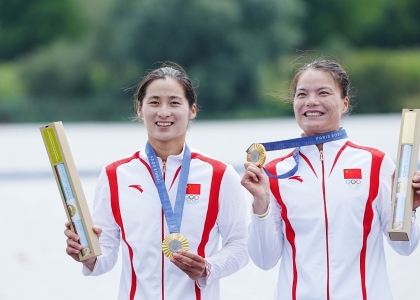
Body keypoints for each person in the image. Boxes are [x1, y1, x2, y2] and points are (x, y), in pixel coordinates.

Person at [64, 63, 249, 300]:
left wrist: (208, 268)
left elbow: (241, 245)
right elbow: (106, 254)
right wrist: (88, 255)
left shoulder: (219, 175)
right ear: (139, 109)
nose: (163, 112)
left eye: (174, 102)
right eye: (154, 102)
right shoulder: (115, 175)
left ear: (192, 110)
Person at [241, 59, 420, 300]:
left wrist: (408, 208)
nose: (311, 101)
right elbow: (264, 260)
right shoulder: (273, 172)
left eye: (323, 92)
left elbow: (405, 247)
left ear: (344, 103)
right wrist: (260, 203)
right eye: (301, 94)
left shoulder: (375, 164)